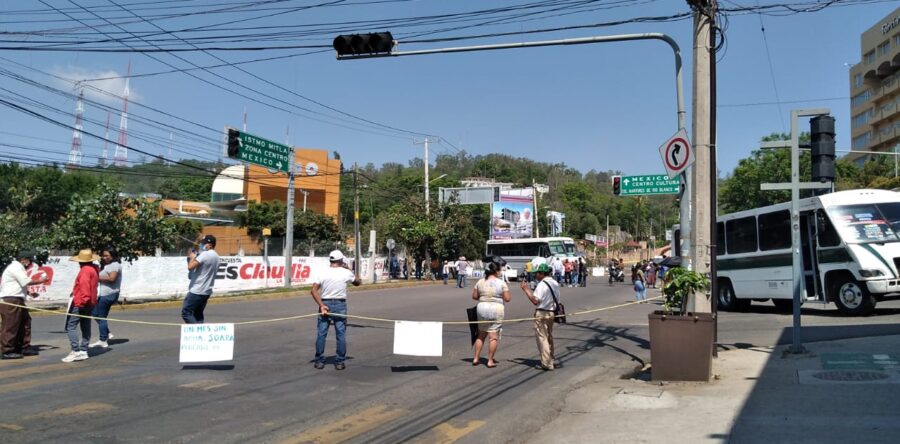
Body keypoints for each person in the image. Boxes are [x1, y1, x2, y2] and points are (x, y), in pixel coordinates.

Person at [311, 250, 361, 370]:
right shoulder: (345, 272)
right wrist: (349, 269)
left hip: (325, 303)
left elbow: (313, 291)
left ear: (331, 260)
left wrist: (321, 305)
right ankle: (339, 362)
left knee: (321, 334)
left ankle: (319, 361)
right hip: (340, 304)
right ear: (341, 260)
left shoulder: (323, 272)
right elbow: (358, 282)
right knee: (340, 334)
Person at [0, 251, 49, 359]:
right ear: (24, 260)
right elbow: (25, 281)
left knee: (25, 322)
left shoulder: (18, 268)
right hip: (11, 300)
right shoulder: (16, 267)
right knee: (10, 325)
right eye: (30, 261)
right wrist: (41, 280)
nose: (30, 264)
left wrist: (29, 293)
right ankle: (7, 350)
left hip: (17, 299)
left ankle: (23, 347)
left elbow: (17, 285)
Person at [519, 258, 561, 371]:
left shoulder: (542, 284)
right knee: (549, 336)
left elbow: (535, 300)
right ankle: (551, 358)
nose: (535, 275)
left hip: (542, 312)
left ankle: (547, 363)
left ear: (542, 273)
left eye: (536, 273)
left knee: (542, 338)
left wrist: (526, 289)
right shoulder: (555, 283)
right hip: (552, 312)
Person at [471, 256, 510, 368]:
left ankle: (476, 358)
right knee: (493, 336)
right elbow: (507, 298)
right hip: (496, 308)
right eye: (500, 270)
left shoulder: (480, 282)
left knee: (481, 334)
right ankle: (490, 361)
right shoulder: (501, 283)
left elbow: (474, 296)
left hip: (482, 308)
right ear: (496, 271)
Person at [63, 249, 100, 363]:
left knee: (70, 326)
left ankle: (76, 351)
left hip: (82, 302)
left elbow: (85, 287)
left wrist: (83, 301)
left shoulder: (85, 271)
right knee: (85, 325)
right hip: (91, 302)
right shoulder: (94, 269)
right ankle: (84, 350)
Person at [182, 235, 219, 324]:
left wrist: (192, 257)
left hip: (197, 290)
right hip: (206, 291)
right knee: (198, 315)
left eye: (204, 244)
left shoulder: (205, 255)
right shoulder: (216, 256)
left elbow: (190, 267)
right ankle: (201, 331)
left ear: (210, 245)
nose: (202, 245)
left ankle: (197, 330)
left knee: (186, 312)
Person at [90, 248, 122, 349]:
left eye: (107, 255)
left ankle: (103, 340)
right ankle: (107, 333)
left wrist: (96, 277)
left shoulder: (114, 265)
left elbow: (112, 278)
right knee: (95, 313)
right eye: (103, 256)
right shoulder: (108, 265)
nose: (104, 257)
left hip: (109, 294)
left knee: (101, 316)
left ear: (113, 255)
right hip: (104, 294)